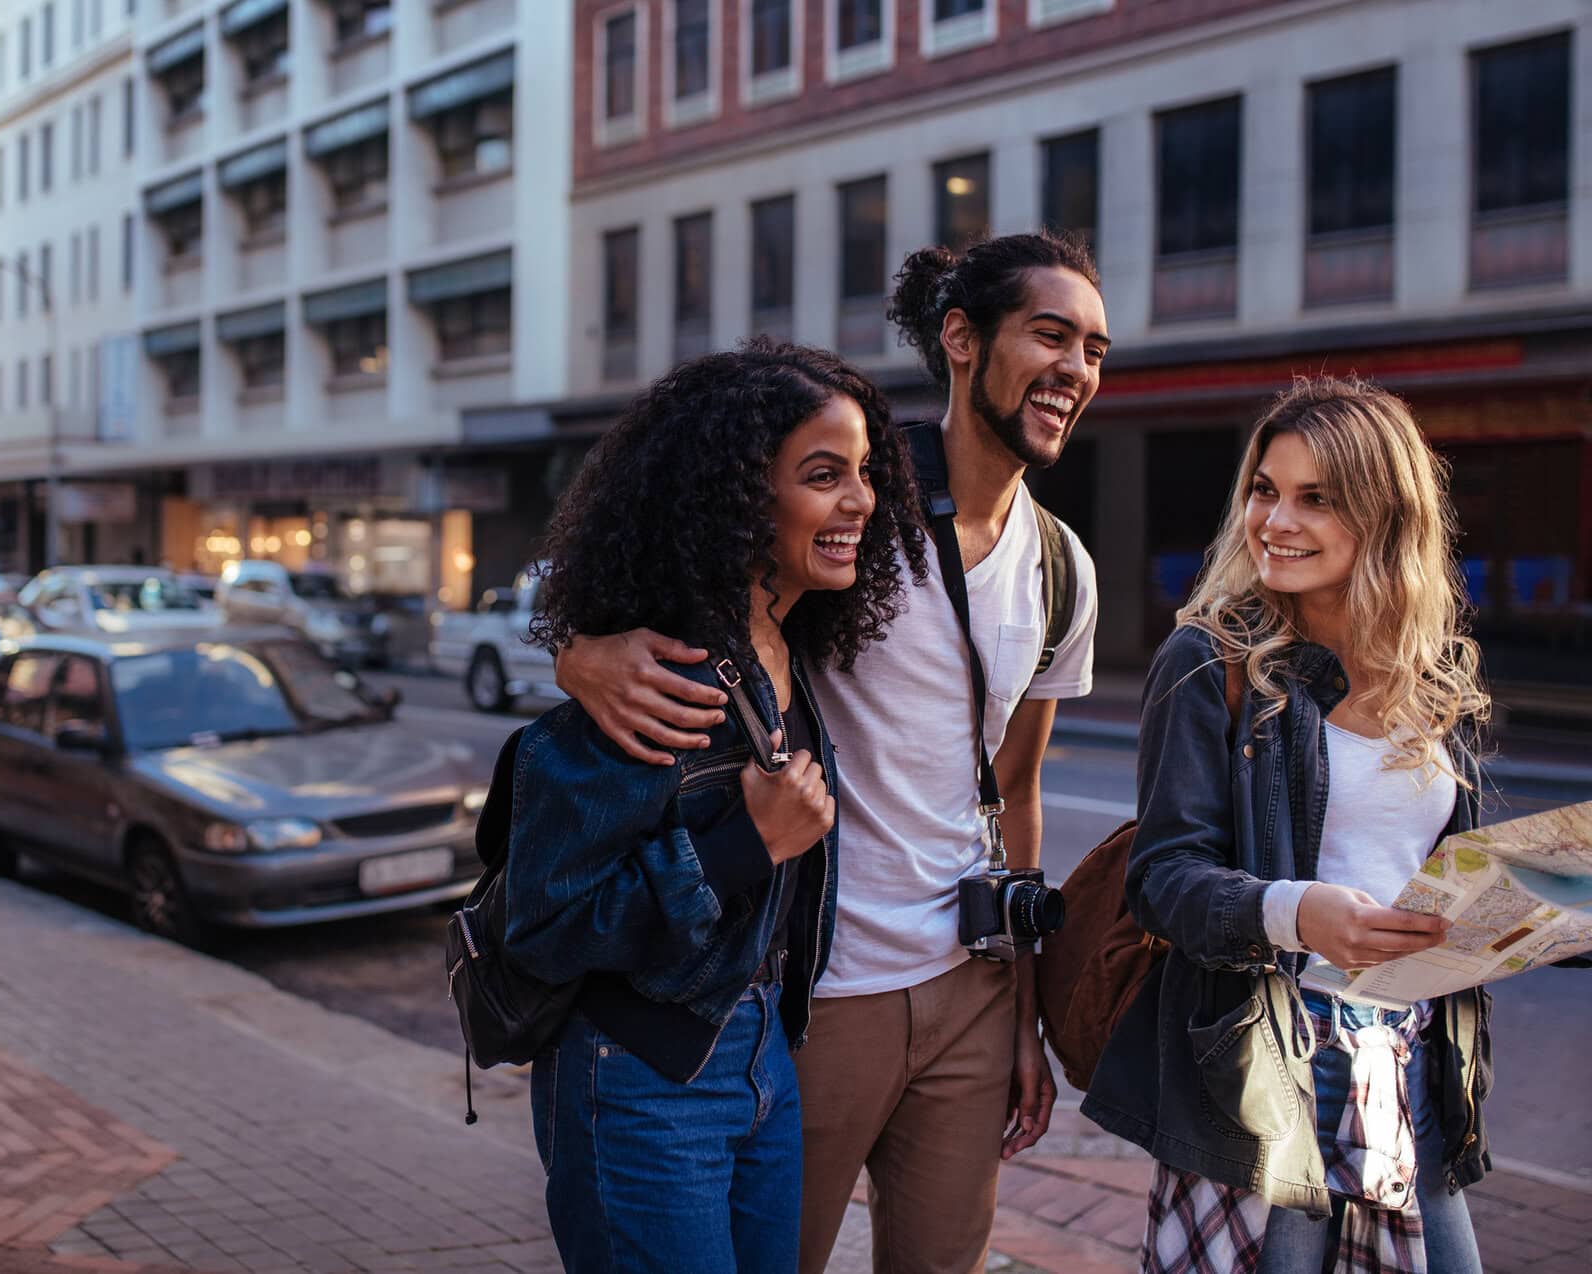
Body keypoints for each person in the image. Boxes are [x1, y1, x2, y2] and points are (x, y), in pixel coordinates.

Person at [555, 232, 1109, 1274]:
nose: (1077, 369)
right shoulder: (855, 500)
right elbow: (670, 577)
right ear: (961, 338)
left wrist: (1025, 1016)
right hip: (821, 987)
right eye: (1050, 334)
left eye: (1095, 347)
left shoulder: (1063, 568)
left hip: (972, 989)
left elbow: (1019, 790)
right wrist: (579, 651)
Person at [503, 340, 930, 1274]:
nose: (860, 500)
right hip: (645, 1073)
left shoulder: (789, 648)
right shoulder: (658, 677)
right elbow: (545, 925)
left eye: (863, 473)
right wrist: (742, 849)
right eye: (824, 475)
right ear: (738, 500)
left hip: (763, 1056)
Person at [1081, 377, 1497, 1272]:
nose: (1275, 520)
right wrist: (1297, 911)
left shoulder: (1439, 677)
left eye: (1316, 498)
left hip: (1413, 1059)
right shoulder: (1211, 659)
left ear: (1385, 516)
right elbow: (1163, 879)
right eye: (1266, 490)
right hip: (1271, 1056)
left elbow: (1444, 877)